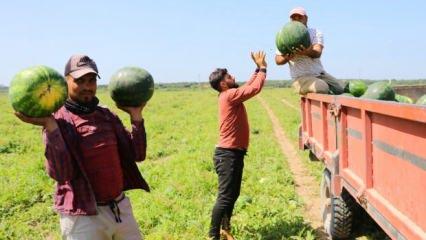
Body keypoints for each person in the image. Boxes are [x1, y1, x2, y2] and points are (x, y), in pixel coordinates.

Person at [15, 54, 149, 240]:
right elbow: (62, 174)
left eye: (92, 80)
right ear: (65, 82)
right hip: (82, 215)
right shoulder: (58, 121)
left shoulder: (106, 115)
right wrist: (50, 126)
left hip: (119, 208)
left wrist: (136, 116)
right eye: (80, 80)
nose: (87, 86)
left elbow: (138, 154)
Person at [208, 51, 267, 240]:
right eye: (228, 76)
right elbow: (254, 89)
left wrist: (257, 68)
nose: (232, 76)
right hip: (227, 155)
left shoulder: (230, 94)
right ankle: (212, 236)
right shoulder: (229, 95)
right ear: (223, 84)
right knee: (225, 196)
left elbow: (249, 85)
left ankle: (225, 229)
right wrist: (263, 69)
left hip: (234, 154)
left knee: (233, 195)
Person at [275, 7, 345, 95]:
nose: (297, 20)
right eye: (293, 18)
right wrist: (287, 58)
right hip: (301, 78)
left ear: (306, 19)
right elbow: (277, 60)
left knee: (340, 90)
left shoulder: (315, 32)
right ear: (290, 20)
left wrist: (306, 52)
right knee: (322, 87)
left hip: (320, 74)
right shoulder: (284, 35)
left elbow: (318, 52)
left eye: (300, 17)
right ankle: (298, 88)